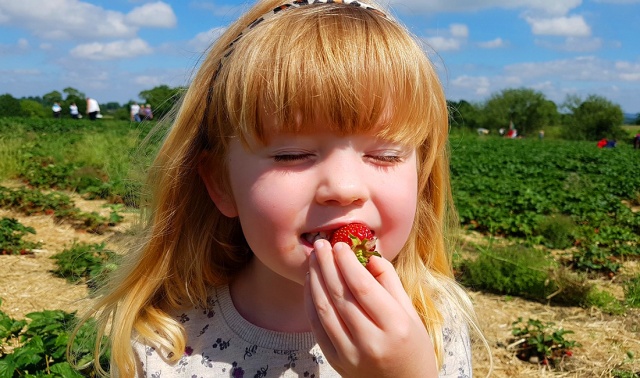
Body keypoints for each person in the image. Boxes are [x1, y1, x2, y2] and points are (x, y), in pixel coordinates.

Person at [73, 0, 488, 377]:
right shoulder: (166, 341)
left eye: (384, 155)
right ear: (221, 183)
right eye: (291, 155)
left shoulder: (432, 322)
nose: (344, 188)